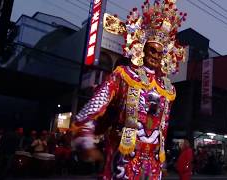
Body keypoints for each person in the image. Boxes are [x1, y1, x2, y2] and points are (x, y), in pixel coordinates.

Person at [72, 0, 187, 179]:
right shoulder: (124, 75)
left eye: (160, 52)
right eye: (152, 50)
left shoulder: (167, 89)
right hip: (125, 157)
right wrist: (85, 140)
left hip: (154, 160)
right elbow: (94, 106)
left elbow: (163, 129)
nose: (156, 56)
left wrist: (162, 163)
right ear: (142, 49)